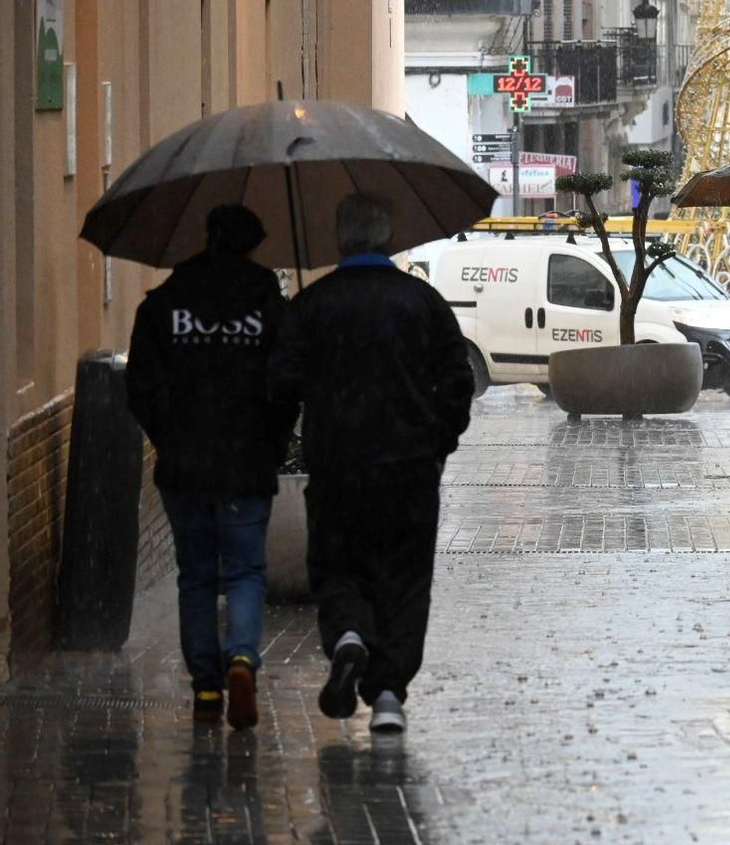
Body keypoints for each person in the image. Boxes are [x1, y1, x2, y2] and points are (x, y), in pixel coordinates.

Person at [270, 193, 475, 732]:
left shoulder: (314, 305)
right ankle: (387, 694)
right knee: (404, 579)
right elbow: (459, 380)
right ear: (389, 239)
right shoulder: (422, 302)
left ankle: (348, 634)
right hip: (409, 467)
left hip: (338, 466)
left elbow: (280, 384)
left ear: (342, 240)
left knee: (339, 563)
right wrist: (439, 444)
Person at [126, 204, 297, 730]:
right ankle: (242, 657)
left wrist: (168, 438)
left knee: (197, 576)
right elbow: (286, 382)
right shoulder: (269, 303)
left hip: (185, 466)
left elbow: (139, 386)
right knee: (245, 570)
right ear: (252, 244)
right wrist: (273, 441)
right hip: (247, 461)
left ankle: (205, 688)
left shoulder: (164, 303)